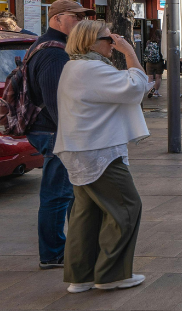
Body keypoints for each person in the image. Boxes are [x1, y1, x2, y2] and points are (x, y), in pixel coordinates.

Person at [54, 20, 148, 293]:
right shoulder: (89, 68)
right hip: (98, 150)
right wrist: (130, 52)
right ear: (91, 42)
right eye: (109, 40)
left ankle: (80, 277)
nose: (113, 44)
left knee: (87, 213)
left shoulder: (76, 67)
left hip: (83, 147)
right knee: (127, 207)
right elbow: (135, 87)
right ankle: (111, 275)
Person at [26, 0, 92, 271]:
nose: (80, 21)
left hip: (52, 130)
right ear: (57, 19)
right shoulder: (54, 53)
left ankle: (70, 247)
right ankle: (52, 253)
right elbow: (57, 103)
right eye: (75, 17)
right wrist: (73, 135)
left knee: (67, 193)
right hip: (56, 132)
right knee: (58, 195)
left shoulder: (48, 46)